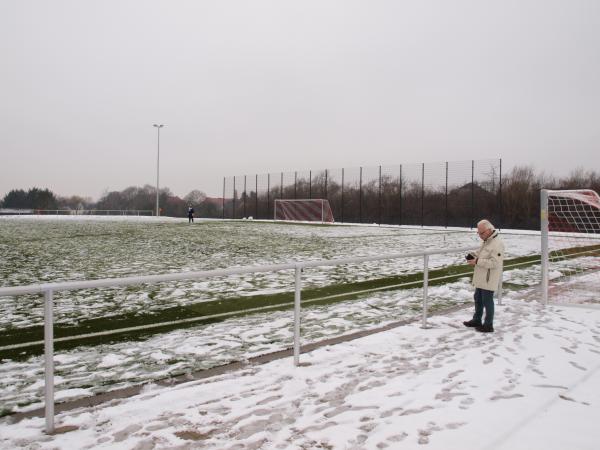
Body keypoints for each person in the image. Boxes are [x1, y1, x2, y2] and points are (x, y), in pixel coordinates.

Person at [463, 219, 504, 333]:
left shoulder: (497, 243)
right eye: (478, 233)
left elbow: (495, 263)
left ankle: (488, 325)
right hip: (482, 277)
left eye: (481, 233)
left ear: (489, 230)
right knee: (478, 298)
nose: (480, 235)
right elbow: (481, 253)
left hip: (488, 278)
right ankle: (477, 319)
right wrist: (473, 255)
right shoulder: (487, 241)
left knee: (487, 301)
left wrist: (477, 261)